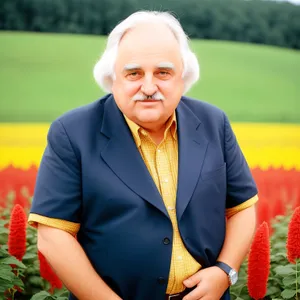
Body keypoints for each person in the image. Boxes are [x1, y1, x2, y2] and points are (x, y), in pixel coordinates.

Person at [28, 10, 259, 300]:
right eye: (134, 73)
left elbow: (242, 208)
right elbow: (53, 236)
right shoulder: (72, 133)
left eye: (163, 72)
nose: (148, 88)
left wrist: (225, 271)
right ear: (113, 78)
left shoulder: (214, 122)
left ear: (182, 77)